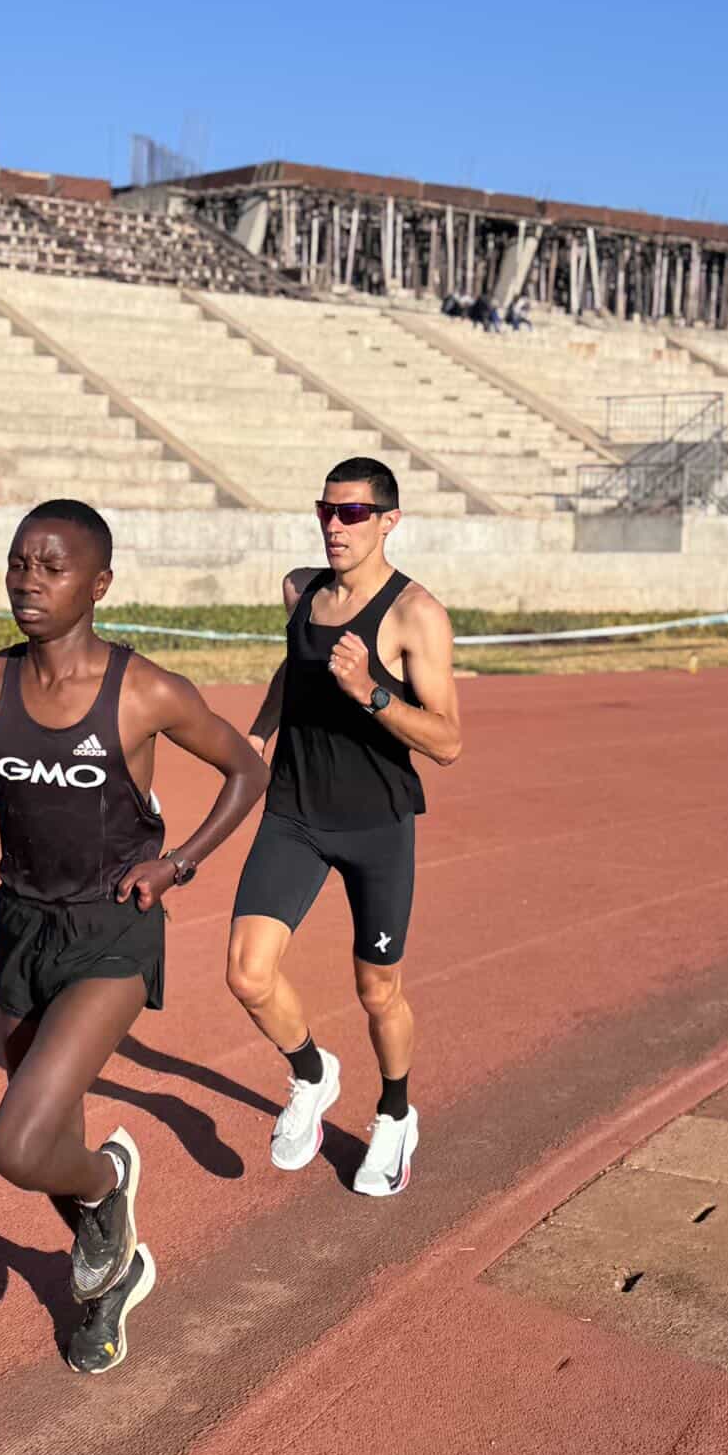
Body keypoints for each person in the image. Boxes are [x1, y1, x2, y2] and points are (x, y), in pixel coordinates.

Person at [0, 499, 268, 1372]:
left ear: (99, 584)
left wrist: (177, 863)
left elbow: (246, 767)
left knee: (20, 1145)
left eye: (51, 567)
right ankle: (113, 1277)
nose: (27, 583)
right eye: (17, 564)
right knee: (50, 1138)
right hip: (21, 924)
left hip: (116, 926)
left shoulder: (143, 692)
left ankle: (112, 1182)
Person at [226, 457, 462, 1196]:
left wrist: (370, 692)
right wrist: (255, 739)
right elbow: (291, 670)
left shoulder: (415, 615)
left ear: (390, 520)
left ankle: (395, 1113)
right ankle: (312, 1073)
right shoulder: (300, 591)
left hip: (376, 825)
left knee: (376, 991)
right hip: (295, 813)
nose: (335, 524)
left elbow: (449, 741)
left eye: (353, 513)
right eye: (327, 509)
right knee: (247, 973)